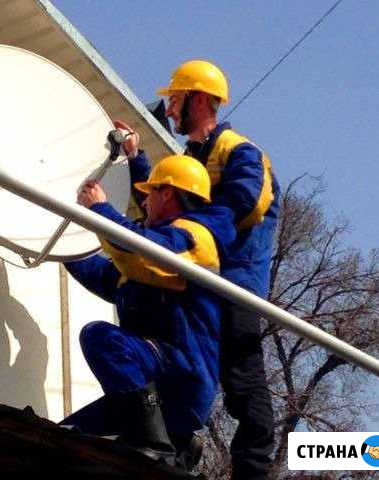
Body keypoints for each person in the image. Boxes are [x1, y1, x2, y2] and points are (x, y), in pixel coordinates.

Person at [116, 59, 280, 479]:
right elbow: (168, 202)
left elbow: (237, 209)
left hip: (235, 286)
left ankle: (253, 471)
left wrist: (182, 237)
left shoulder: (241, 153)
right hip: (201, 281)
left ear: (201, 100)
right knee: (186, 366)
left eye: (176, 99)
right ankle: (176, 444)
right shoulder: (191, 158)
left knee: (242, 381)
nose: (169, 109)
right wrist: (137, 160)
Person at [61, 155, 236, 468]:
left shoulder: (195, 237)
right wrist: (61, 247)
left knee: (100, 336)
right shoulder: (153, 258)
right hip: (157, 389)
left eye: (149, 193)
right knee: (68, 437)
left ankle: (155, 443)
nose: (144, 202)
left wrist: (100, 210)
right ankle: (175, 443)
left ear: (167, 194)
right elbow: (108, 276)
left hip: (180, 375)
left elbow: (141, 250)